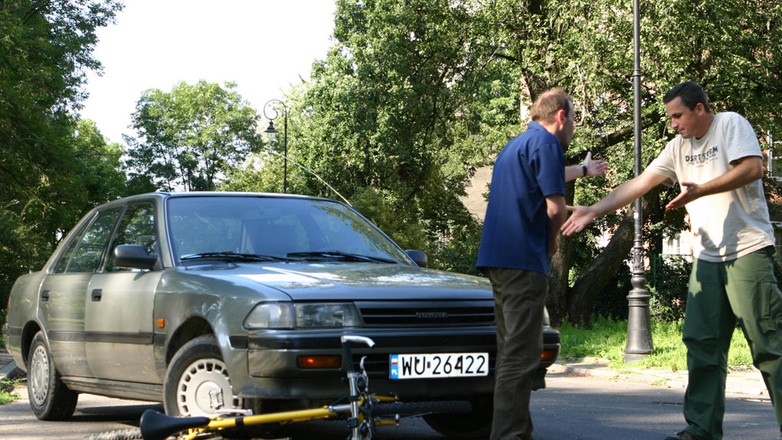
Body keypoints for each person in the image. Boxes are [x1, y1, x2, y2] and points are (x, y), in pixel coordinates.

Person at [561, 81, 782, 440]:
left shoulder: (730, 124)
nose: (674, 124)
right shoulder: (677, 147)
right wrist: (595, 210)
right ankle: (701, 430)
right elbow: (640, 183)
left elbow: (752, 169)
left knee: (769, 345)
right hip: (708, 258)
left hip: (747, 250)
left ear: (699, 109)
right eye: (670, 118)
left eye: (678, 115)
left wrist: (701, 189)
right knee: (702, 344)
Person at [477, 88, 608, 440]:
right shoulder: (549, 145)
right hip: (524, 261)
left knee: (512, 353)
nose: (574, 129)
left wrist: (582, 169)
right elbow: (553, 208)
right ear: (561, 116)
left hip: (498, 260)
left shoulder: (517, 145)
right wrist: (551, 241)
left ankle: (516, 432)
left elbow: (545, 177)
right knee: (521, 358)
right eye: (574, 120)